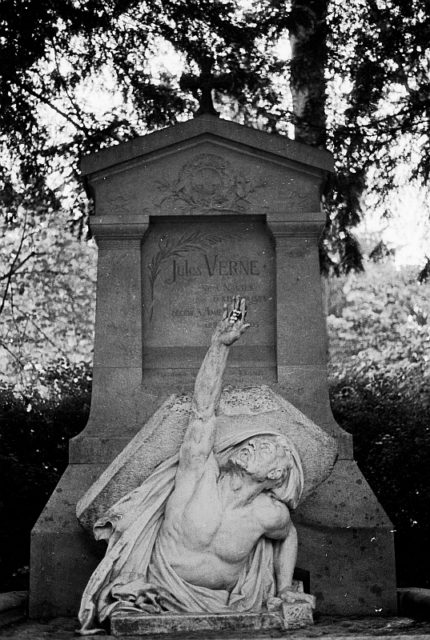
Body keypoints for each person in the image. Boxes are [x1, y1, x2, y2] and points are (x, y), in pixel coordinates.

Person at [78, 297, 314, 634]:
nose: (250, 446)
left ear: (276, 474)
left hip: (232, 606)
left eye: (264, 448)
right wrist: (219, 346)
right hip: (162, 592)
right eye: (251, 442)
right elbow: (203, 410)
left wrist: (284, 587)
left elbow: (288, 535)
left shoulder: (269, 514)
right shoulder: (200, 475)